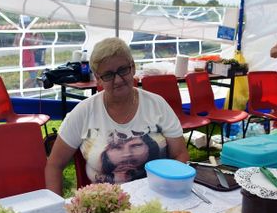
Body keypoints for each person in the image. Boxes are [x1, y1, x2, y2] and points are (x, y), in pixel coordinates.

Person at [45, 37, 189, 195]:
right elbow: (54, 165)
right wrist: (57, 211)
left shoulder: (157, 105)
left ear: (133, 67)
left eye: (123, 70)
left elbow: (180, 154)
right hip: (105, 204)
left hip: (157, 195)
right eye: (108, 75)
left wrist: (168, 189)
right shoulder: (83, 112)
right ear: (98, 78)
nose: (118, 80)